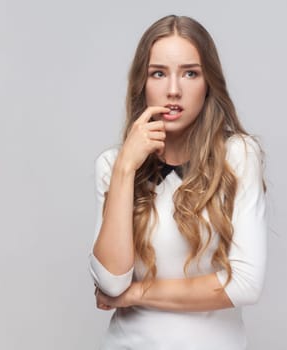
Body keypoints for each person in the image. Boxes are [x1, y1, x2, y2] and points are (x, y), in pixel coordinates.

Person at [89, 14, 268, 349]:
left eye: (190, 73)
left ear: (208, 82)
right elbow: (111, 284)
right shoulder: (112, 165)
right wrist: (126, 168)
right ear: (141, 83)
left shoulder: (238, 156)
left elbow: (245, 284)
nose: (173, 90)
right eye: (159, 73)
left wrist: (137, 293)